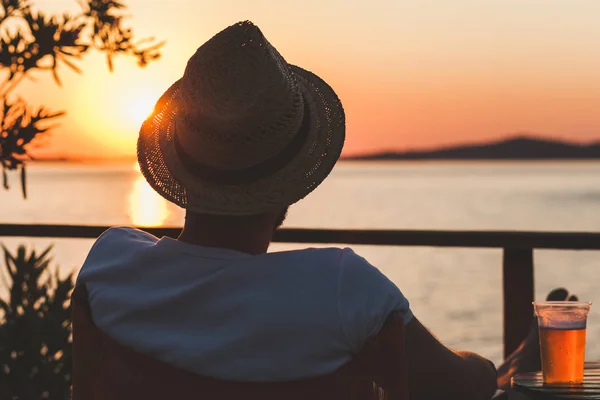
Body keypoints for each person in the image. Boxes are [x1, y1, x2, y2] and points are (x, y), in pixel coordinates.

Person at [77, 21, 546, 399]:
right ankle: (520, 361)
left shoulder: (110, 267)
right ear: (289, 187)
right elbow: (455, 387)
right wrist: (487, 369)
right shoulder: (339, 288)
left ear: (184, 172)